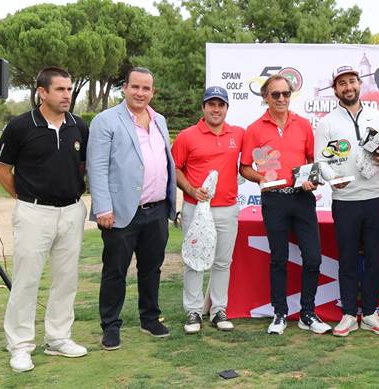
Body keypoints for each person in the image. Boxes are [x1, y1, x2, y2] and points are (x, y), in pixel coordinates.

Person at [0, 67, 89, 372]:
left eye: (70, 89)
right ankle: (20, 346)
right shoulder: (20, 126)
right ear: (42, 92)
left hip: (72, 211)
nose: (67, 95)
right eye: (60, 89)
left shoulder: (78, 126)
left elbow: (83, 166)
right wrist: (25, 199)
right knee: (27, 280)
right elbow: (1, 171)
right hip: (34, 212)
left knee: (66, 279)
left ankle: (58, 338)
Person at [87, 67, 177, 350]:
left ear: (153, 92)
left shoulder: (159, 120)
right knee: (115, 271)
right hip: (121, 212)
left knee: (152, 268)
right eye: (135, 87)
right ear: (124, 88)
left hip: (157, 210)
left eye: (146, 88)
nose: (140, 93)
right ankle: (110, 326)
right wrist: (103, 208)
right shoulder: (106, 120)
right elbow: (97, 167)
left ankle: (150, 319)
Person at [240, 74, 331, 335]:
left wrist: (313, 180)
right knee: (278, 259)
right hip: (274, 199)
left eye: (286, 94)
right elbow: (245, 167)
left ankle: (307, 313)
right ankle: (279, 313)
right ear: (265, 97)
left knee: (312, 257)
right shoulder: (254, 129)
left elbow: (314, 162)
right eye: (275, 94)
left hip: (302, 199)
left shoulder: (303, 125)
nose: (281, 98)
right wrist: (263, 178)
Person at [315, 65, 379, 337]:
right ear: (335, 89)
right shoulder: (327, 122)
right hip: (345, 199)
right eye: (342, 84)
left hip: (375, 197)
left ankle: (371, 313)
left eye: (352, 81)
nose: (348, 87)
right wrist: (331, 179)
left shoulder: (378, 116)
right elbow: (320, 161)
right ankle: (350, 313)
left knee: (375, 258)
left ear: (359, 83)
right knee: (347, 259)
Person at [171, 86, 244, 334]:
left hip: (227, 208)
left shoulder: (238, 134)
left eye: (220, 105)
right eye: (211, 104)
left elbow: (253, 158)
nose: (216, 109)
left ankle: (218, 310)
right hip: (196, 208)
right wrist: (191, 190)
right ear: (203, 107)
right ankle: (193, 310)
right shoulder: (187, 136)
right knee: (194, 261)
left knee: (223, 262)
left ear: (226, 108)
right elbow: (175, 169)